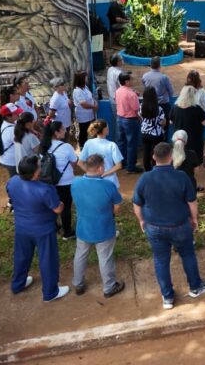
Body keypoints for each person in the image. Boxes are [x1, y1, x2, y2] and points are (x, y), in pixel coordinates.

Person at [133, 142, 205, 310]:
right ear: (171, 158)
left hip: (154, 227)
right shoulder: (182, 177)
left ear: (154, 158)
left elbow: (137, 204)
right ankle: (195, 287)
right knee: (188, 254)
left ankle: (167, 297)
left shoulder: (145, 178)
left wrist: (141, 220)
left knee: (161, 260)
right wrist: (194, 218)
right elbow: (192, 201)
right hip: (180, 226)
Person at [7, 155, 68, 302]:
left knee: (21, 256)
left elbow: (11, 196)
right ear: (35, 173)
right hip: (43, 229)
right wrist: (62, 203)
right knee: (47, 259)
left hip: (22, 227)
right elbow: (57, 209)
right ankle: (50, 292)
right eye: (39, 166)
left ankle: (17, 284)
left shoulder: (13, 181)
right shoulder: (45, 189)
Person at [72, 153, 125, 298]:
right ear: (100, 168)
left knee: (80, 255)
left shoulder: (75, 183)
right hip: (104, 227)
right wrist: (110, 214)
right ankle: (109, 287)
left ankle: (78, 284)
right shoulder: (108, 185)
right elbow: (117, 205)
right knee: (105, 257)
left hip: (83, 227)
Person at [41, 121, 82, 239]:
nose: (65, 131)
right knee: (66, 208)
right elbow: (74, 162)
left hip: (48, 181)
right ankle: (67, 232)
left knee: (52, 205)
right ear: (56, 133)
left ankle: (53, 227)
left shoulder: (44, 145)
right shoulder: (66, 147)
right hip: (65, 182)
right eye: (63, 129)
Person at [79, 119, 124, 188]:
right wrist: (104, 174)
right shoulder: (111, 145)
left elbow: (80, 163)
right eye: (107, 127)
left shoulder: (88, 143)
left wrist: (92, 173)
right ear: (104, 129)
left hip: (92, 182)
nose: (108, 128)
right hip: (109, 181)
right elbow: (119, 165)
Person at [170, 85, 205, 164]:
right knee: (194, 162)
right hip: (194, 141)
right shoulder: (197, 108)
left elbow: (171, 121)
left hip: (179, 139)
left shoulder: (174, 108)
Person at [115, 73, 143, 174]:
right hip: (130, 120)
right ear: (126, 81)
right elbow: (136, 109)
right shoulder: (131, 94)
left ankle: (122, 163)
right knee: (131, 143)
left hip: (119, 118)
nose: (131, 81)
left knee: (121, 142)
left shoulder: (118, 91)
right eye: (130, 79)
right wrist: (139, 118)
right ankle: (131, 166)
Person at [143, 56, 175, 134]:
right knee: (164, 129)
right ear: (159, 65)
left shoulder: (145, 76)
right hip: (163, 105)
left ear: (151, 64)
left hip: (149, 105)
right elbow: (171, 92)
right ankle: (162, 145)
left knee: (151, 126)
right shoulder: (164, 78)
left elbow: (146, 89)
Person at [140, 87, 166, 172]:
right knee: (156, 153)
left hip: (144, 133)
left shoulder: (141, 107)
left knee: (146, 152)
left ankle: (147, 170)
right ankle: (155, 170)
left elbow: (140, 118)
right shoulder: (159, 109)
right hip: (156, 134)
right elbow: (162, 122)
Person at [72, 71, 97, 149]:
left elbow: (90, 97)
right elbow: (83, 104)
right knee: (83, 131)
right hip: (83, 115)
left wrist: (94, 102)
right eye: (85, 77)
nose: (86, 78)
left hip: (89, 114)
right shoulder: (77, 91)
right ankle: (82, 147)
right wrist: (93, 106)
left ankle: (88, 146)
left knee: (89, 130)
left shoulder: (85, 87)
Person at [0, 102, 23, 178]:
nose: (18, 114)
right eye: (15, 113)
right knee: (16, 181)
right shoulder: (11, 130)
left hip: (7, 158)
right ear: (8, 117)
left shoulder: (7, 123)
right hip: (12, 162)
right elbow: (23, 143)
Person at [106, 54, 124, 143]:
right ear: (118, 62)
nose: (122, 60)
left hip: (112, 97)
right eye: (121, 59)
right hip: (117, 100)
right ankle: (119, 143)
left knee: (117, 121)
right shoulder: (119, 73)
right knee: (119, 123)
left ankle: (118, 142)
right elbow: (123, 87)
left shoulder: (110, 69)